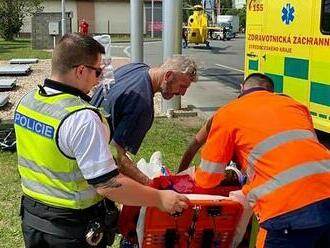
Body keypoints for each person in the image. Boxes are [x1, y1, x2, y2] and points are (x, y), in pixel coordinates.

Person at [14, 33, 188, 248]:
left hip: (33, 219)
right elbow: (108, 185)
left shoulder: (28, 101)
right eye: (97, 71)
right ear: (80, 70)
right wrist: (160, 199)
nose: (99, 79)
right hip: (70, 228)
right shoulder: (82, 117)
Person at [192, 73, 330, 247]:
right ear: (271, 92)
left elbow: (207, 178)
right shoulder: (295, 105)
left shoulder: (228, 113)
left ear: (242, 89)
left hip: (284, 210)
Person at [90, 55, 197, 186]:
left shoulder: (136, 68)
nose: (182, 93)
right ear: (168, 76)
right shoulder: (142, 104)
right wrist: (153, 188)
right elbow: (120, 159)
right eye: (182, 86)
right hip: (91, 170)